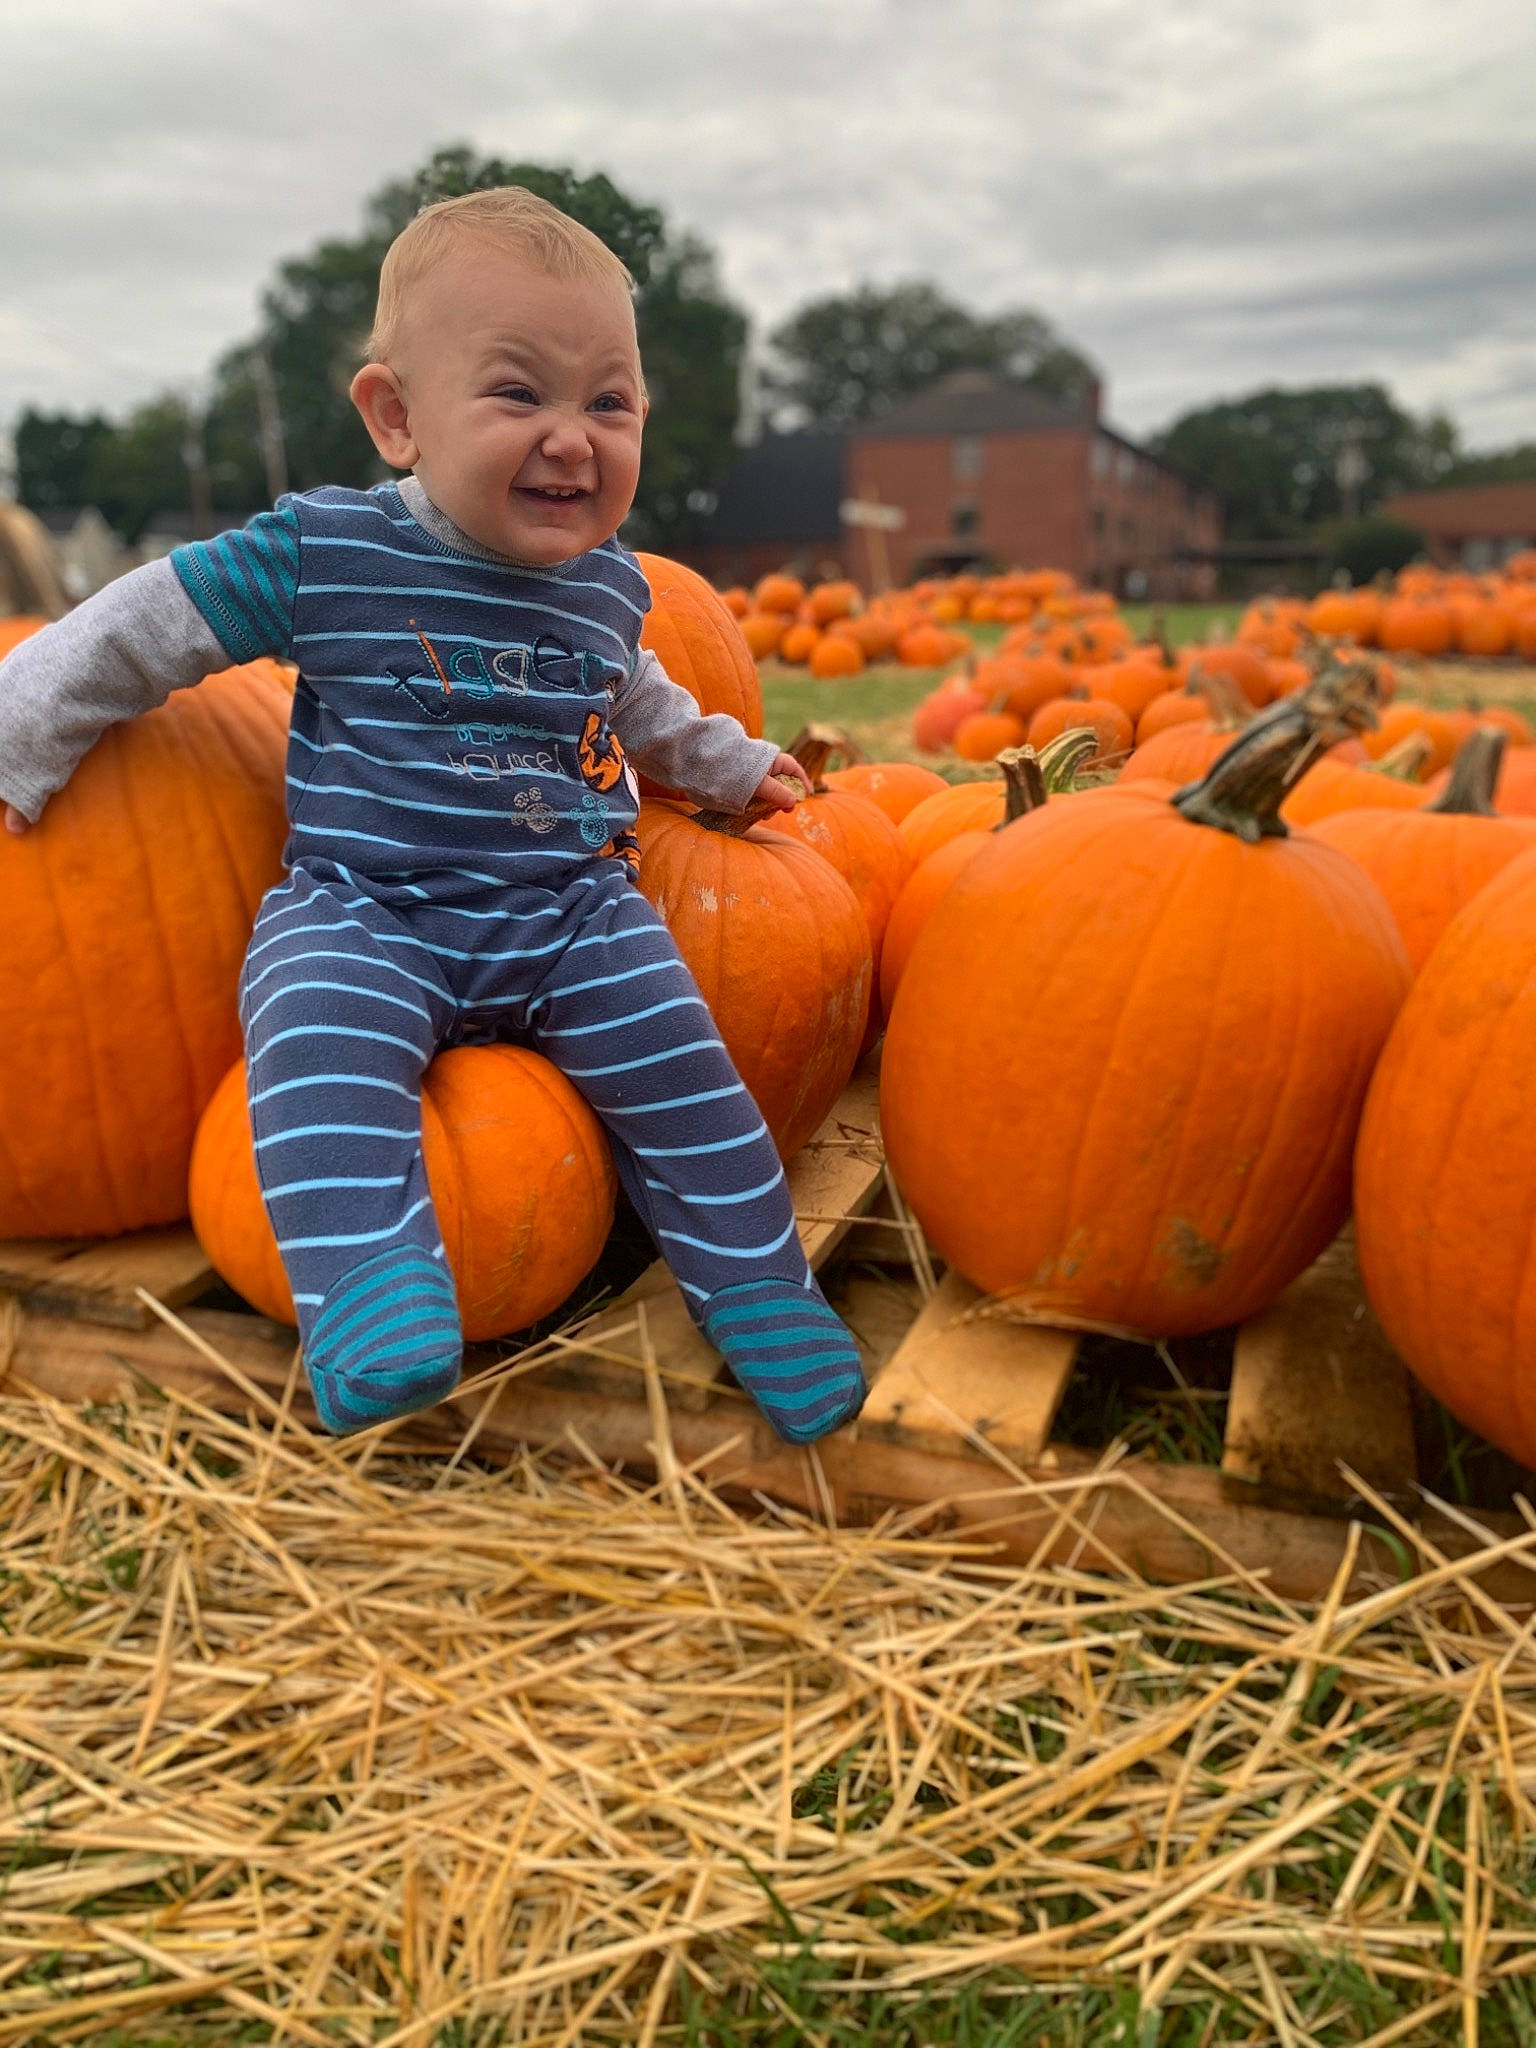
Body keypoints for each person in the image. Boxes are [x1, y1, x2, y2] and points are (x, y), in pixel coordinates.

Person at [0, 187, 868, 1444]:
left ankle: (761, 1289)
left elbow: (645, 705)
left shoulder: (607, 586)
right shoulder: (328, 552)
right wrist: (23, 731)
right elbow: (140, 625)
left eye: (608, 403)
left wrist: (732, 768)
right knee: (306, 1046)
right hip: (370, 908)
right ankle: (370, 1294)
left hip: (573, 913)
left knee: (695, 1079)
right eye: (520, 395)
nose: (573, 437)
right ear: (398, 417)